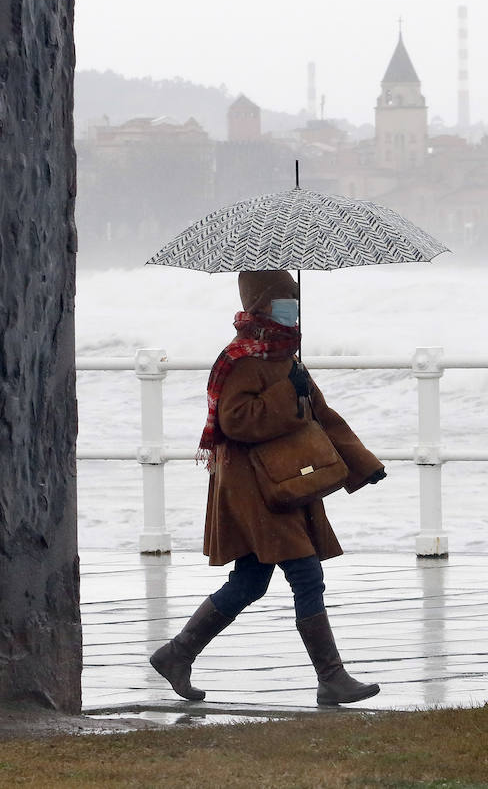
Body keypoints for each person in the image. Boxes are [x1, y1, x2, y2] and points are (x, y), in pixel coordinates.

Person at [150, 269, 387, 704]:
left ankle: (177, 653)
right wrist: (284, 395)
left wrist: (363, 464)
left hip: (287, 484)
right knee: (306, 573)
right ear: (259, 306)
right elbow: (236, 421)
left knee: (251, 581)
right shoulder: (239, 359)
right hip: (252, 489)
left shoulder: (286, 359)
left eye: (294, 301)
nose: (291, 309)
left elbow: (322, 415)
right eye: (283, 301)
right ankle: (331, 678)